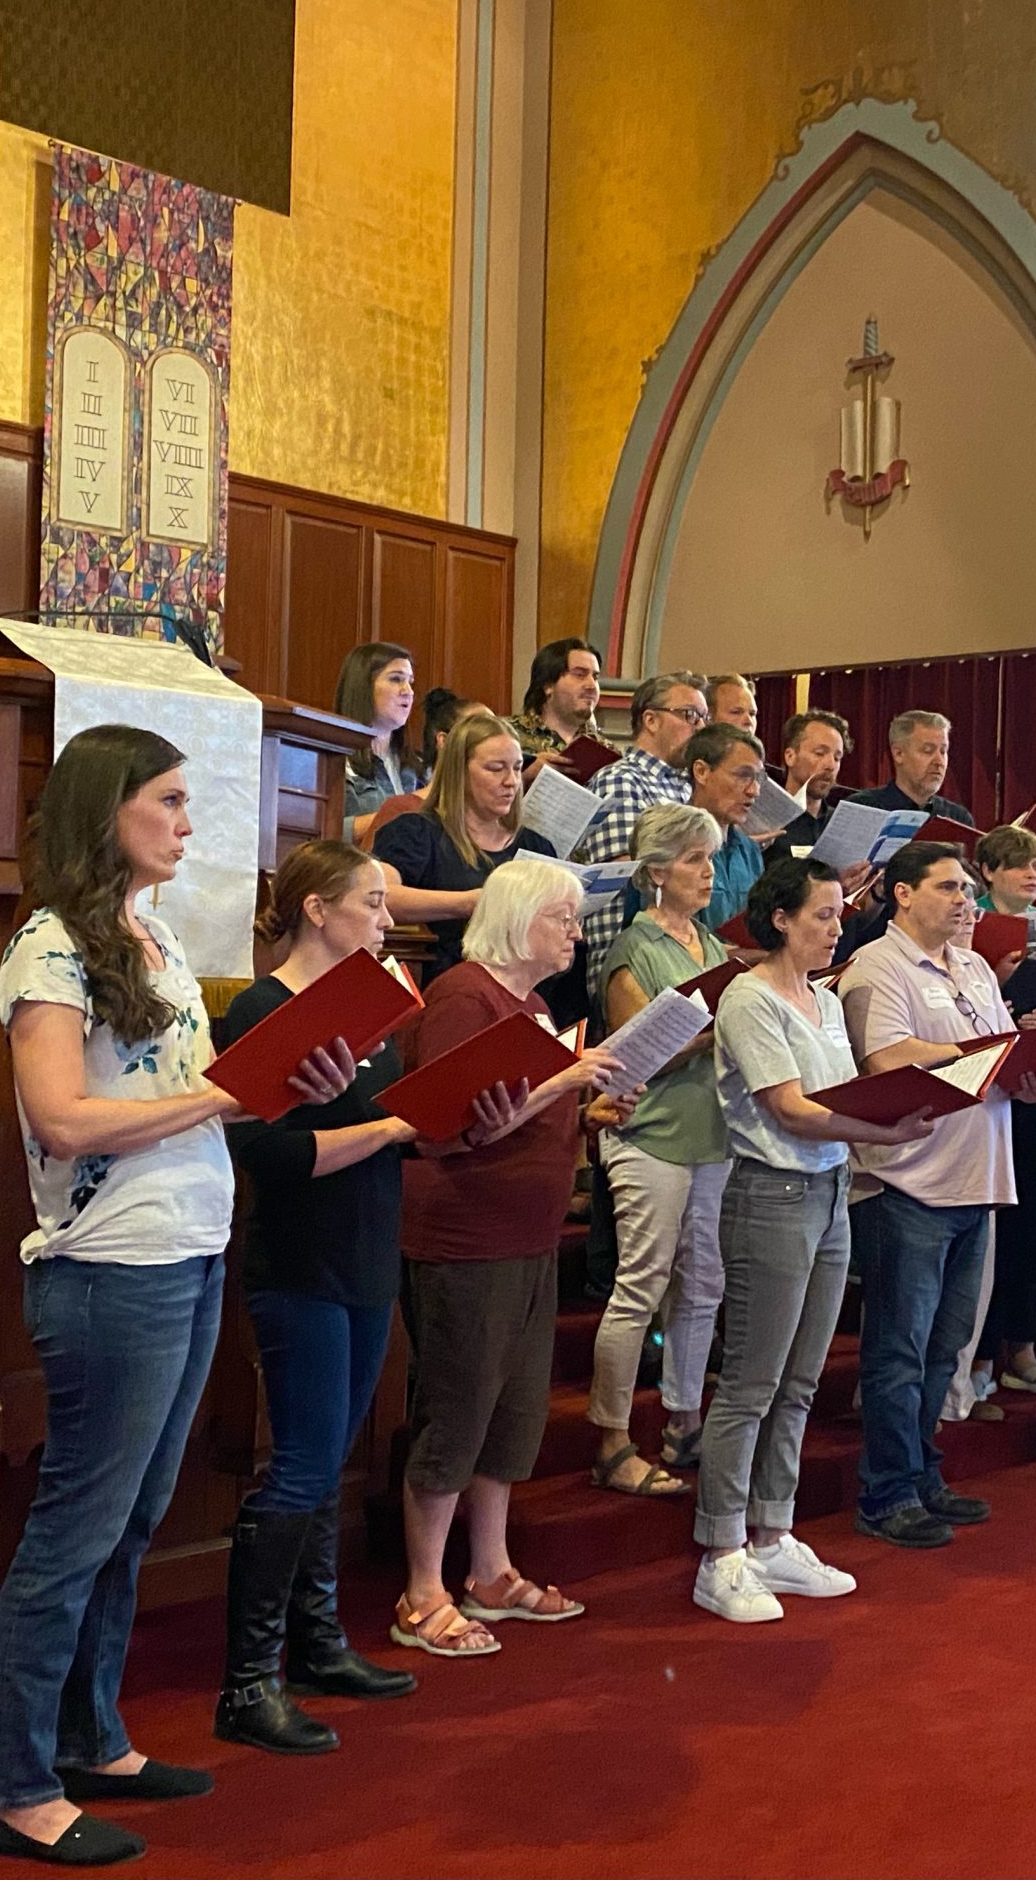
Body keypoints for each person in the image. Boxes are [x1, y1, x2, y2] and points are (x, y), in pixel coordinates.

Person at [0, 726, 349, 1866]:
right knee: (75, 1533)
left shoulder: (153, 933)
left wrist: (282, 1085)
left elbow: (186, 1090)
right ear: (108, 808)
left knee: (131, 1525)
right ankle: (15, 1786)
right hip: (109, 1265)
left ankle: (92, 1738)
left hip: (187, 1245)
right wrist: (227, 1098)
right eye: (168, 801)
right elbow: (62, 1120)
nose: (188, 822)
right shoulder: (47, 948)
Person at [391, 860, 633, 1655]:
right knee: (459, 1411)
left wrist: (586, 1109)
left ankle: (489, 1570)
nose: (576, 934)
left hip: (526, 1234)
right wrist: (563, 1082)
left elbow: (520, 1118)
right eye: (563, 918)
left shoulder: (531, 1005)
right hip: (467, 1236)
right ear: (518, 918)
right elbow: (456, 1126)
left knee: (512, 1413)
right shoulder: (466, 996)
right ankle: (422, 1590)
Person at [212, 841, 421, 1758]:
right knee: (299, 1466)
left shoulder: (371, 1009)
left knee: (332, 1460)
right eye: (371, 904)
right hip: (300, 1262)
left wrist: (431, 1121)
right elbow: (270, 1153)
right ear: (316, 909)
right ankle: (248, 1681)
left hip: (369, 1252)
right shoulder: (261, 1010)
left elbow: (387, 1128)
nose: (386, 920)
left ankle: (319, 1643)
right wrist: (390, 1128)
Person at [695, 857, 939, 1622]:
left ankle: (773, 1534)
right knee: (751, 1383)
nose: (838, 928)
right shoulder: (749, 996)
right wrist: (882, 1130)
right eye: (823, 915)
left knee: (800, 1381)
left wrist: (888, 1112)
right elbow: (791, 1109)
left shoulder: (826, 999)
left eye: (840, 914)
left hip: (832, 1190)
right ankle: (721, 1552)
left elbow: (844, 1092)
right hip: (770, 1192)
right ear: (780, 919)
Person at [842, 841, 1036, 1549]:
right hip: (907, 1180)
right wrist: (981, 1057)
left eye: (967, 889)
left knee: (945, 1348)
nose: (966, 900)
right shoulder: (877, 964)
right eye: (949, 887)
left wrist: (1030, 1076)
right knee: (899, 1350)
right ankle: (886, 1492)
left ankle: (923, 1474)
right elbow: (885, 1058)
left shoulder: (975, 967)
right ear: (902, 894)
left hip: (975, 1177)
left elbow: (1002, 1056)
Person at [586, 803, 735, 1499]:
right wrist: (712, 1032)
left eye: (711, 858)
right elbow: (629, 1057)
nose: (708, 872)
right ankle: (612, 1438)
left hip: (712, 1134)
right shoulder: (633, 947)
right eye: (693, 859)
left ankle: (685, 1419)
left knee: (704, 1284)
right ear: (655, 872)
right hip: (649, 1133)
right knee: (641, 1285)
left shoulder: (714, 946)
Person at [959, 822, 1036, 1411]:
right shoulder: (969, 923)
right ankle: (978, 1359)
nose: (1032, 874)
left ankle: (1021, 1351)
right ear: (988, 873)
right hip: (987, 1090)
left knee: (1032, 1227)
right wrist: (1003, 998)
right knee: (993, 1231)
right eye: (1020, 864)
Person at [371, 709, 555, 981]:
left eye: (517, 768)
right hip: (444, 980)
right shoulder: (416, 833)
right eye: (496, 769)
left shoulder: (536, 846)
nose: (511, 782)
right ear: (459, 771)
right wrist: (469, 902)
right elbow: (381, 895)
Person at [573, 668, 709, 963]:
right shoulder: (621, 779)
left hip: (677, 943)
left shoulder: (686, 785)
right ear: (651, 720)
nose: (700, 727)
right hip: (630, 952)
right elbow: (632, 873)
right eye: (689, 715)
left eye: (703, 717)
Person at [678, 722, 769, 929]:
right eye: (743, 775)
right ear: (702, 772)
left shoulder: (750, 851)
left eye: (758, 778)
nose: (754, 791)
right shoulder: (671, 846)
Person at [333, 642, 421, 841]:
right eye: (396, 679)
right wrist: (403, 812)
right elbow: (323, 830)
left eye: (410, 682)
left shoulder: (418, 768)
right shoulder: (333, 761)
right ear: (363, 687)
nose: (408, 691)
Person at [848, 708, 975, 825]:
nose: (939, 761)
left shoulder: (958, 819)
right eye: (927, 750)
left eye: (943, 751)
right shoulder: (862, 808)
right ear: (898, 754)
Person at [767, 708, 853, 860]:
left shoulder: (840, 825)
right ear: (790, 756)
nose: (831, 765)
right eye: (820, 753)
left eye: (837, 758)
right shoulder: (767, 820)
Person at [507, 636, 604, 767]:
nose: (592, 686)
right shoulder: (506, 735)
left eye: (595, 677)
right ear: (548, 685)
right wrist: (524, 771)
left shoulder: (604, 749)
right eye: (580, 675)